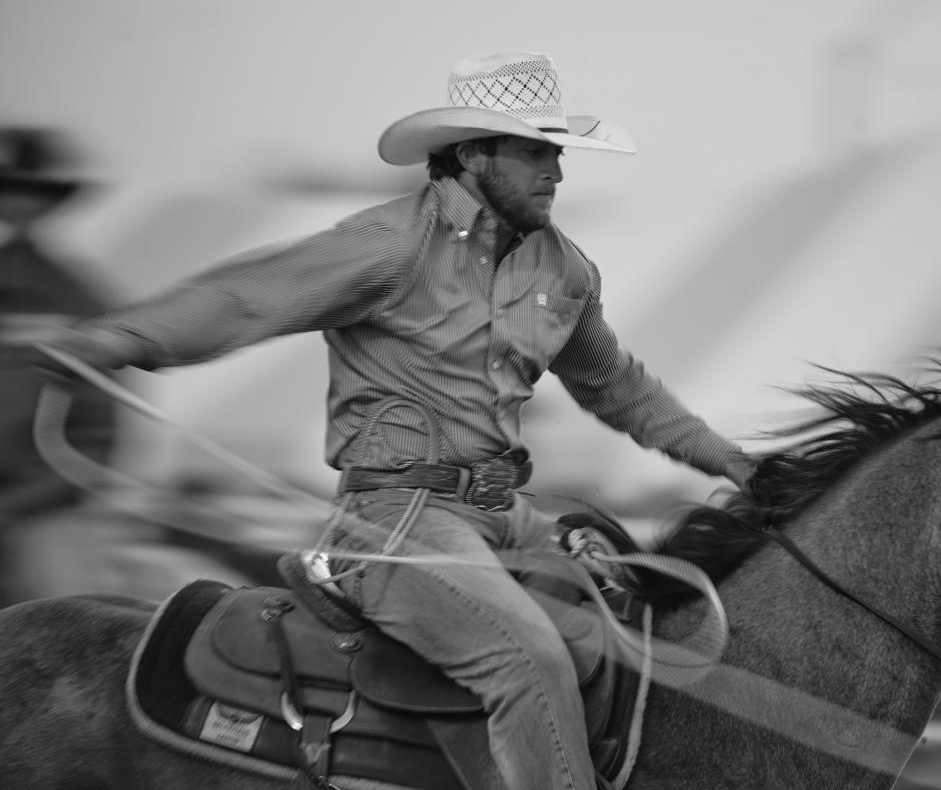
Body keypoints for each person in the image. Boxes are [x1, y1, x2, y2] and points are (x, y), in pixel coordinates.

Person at [37, 52, 752, 790]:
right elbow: (249, 298)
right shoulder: (392, 244)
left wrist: (728, 460)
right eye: (535, 153)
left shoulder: (565, 268)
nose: (557, 173)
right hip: (396, 524)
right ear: (474, 155)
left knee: (640, 626)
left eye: (558, 154)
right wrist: (117, 339)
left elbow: (616, 385)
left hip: (510, 515)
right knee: (526, 660)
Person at [0, 126, 118, 528]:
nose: (13, 205)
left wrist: (20, 504)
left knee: (63, 585)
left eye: (27, 192)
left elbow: (94, 432)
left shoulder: (77, 301)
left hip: (34, 510)